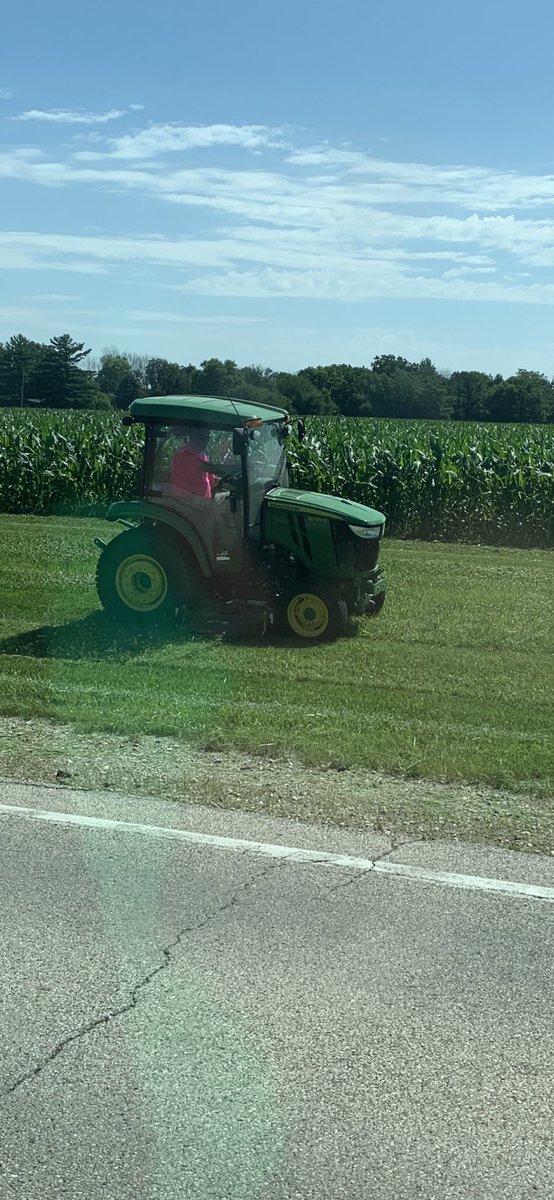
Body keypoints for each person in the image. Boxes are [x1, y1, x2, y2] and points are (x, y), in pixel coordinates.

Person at [169, 427, 218, 498]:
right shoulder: (184, 454)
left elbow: (211, 481)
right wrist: (230, 469)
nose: (204, 442)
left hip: (202, 502)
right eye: (201, 438)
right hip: (186, 503)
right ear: (191, 437)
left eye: (207, 438)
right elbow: (208, 468)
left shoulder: (203, 456)